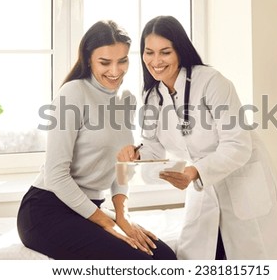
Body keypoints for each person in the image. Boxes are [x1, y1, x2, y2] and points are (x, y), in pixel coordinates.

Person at [117, 15, 277, 260]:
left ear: (180, 51)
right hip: (203, 187)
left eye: (165, 52)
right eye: (149, 52)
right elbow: (153, 151)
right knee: (197, 255)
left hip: (242, 179)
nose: (156, 61)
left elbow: (238, 145)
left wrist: (194, 172)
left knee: (255, 257)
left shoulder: (211, 82)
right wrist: (137, 155)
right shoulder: (153, 97)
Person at [17, 20, 176, 260]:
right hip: (47, 211)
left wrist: (122, 216)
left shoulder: (126, 98)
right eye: (105, 62)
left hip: (89, 208)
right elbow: (55, 175)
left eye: (122, 61)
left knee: (164, 256)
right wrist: (106, 222)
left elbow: (122, 166)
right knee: (141, 261)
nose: (115, 70)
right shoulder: (73, 93)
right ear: (88, 59)